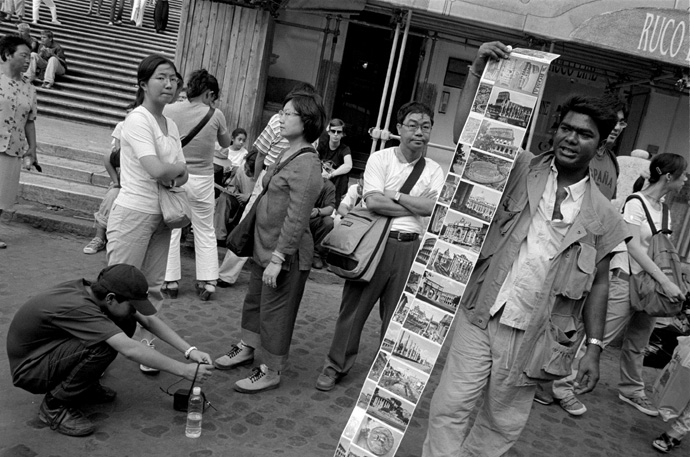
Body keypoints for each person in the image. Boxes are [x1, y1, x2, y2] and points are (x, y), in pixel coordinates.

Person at [422, 43, 631, 457]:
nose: (571, 139)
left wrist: (594, 348)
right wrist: (476, 75)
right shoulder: (519, 169)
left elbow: (601, 284)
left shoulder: (604, 216)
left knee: (500, 425)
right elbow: (473, 139)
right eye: (566, 128)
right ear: (555, 130)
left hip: (538, 334)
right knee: (450, 409)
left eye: (585, 133)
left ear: (601, 144)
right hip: (481, 313)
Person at [315, 101, 444, 391]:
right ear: (399, 128)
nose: (419, 132)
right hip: (372, 243)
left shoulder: (435, 170)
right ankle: (335, 365)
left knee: (398, 316)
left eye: (425, 126)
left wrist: (395, 195)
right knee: (353, 310)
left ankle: (388, 372)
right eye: (412, 125)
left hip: (409, 248)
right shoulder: (380, 159)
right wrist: (415, 205)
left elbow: (433, 208)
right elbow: (373, 201)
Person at [551, 153, 688, 417]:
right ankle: (562, 383)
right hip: (627, 280)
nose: (685, 181)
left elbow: (659, 249)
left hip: (651, 288)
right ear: (669, 176)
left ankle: (632, 389)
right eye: (682, 176)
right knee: (597, 337)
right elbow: (633, 246)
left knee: (638, 343)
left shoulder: (665, 210)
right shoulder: (635, 203)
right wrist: (664, 281)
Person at [6, 264, 214, 437]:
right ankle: (54, 406)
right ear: (111, 298)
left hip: (50, 352)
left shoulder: (97, 292)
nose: (135, 309)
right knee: (105, 344)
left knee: (124, 322)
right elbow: (130, 349)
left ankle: (81, 386)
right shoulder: (80, 308)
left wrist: (190, 351)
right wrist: (184, 370)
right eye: (132, 304)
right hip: (31, 370)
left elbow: (148, 321)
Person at [212, 90, 325, 393]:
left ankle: (272, 368)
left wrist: (278, 259)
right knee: (254, 302)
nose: (281, 117)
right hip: (264, 245)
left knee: (276, 312)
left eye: (289, 113)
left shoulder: (308, 164)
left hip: (285, 253)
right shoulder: (288, 151)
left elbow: (298, 216)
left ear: (308, 121)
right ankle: (247, 346)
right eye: (282, 111)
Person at [106, 54, 188, 374]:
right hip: (134, 212)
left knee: (152, 287)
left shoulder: (171, 124)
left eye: (173, 78)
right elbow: (156, 168)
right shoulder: (138, 119)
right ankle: (97, 348)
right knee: (115, 288)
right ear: (143, 84)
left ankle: (145, 343)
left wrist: (175, 171)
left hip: (163, 217)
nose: (169, 84)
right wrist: (176, 169)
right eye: (161, 78)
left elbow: (181, 175)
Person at [215, 83, 314, 288]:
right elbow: (260, 152)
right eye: (286, 111)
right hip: (268, 175)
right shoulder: (279, 120)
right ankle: (227, 274)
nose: (285, 116)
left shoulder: (310, 133)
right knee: (250, 221)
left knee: (275, 225)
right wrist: (257, 182)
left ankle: (263, 269)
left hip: (285, 181)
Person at [162, 69, 232, 301]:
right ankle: (208, 282)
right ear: (209, 93)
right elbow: (226, 143)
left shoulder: (170, 110)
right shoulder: (216, 114)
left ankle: (170, 281)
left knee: (171, 228)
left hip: (177, 175)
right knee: (204, 229)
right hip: (203, 179)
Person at [0, 34, 37, 250]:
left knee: (2, 194)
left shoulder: (29, 88)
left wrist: (32, 148)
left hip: (13, 148)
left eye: (29, 57)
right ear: (7, 55)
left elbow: (30, 121)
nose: (28, 61)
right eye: (24, 55)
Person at [83, 119, 125, 254]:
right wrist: (117, 183)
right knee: (112, 195)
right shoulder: (119, 150)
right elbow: (109, 157)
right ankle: (99, 237)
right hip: (124, 182)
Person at [214, 149, 257, 244]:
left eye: (249, 170)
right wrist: (233, 190)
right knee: (224, 197)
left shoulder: (264, 175)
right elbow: (233, 185)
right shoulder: (242, 169)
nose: (246, 170)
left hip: (255, 205)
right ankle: (219, 236)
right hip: (239, 202)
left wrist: (249, 197)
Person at [317, 118, 352, 205]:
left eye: (339, 132)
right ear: (329, 132)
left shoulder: (344, 149)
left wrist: (331, 174)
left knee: (343, 176)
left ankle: (335, 206)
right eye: (333, 131)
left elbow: (348, 165)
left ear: (342, 134)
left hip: (335, 180)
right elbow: (313, 159)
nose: (336, 134)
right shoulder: (322, 145)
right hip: (321, 176)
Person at [213, 127, 248, 196]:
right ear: (232, 138)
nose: (241, 142)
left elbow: (242, 169)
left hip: (233, 178)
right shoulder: (225, 150)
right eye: (239, 139)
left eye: (243, 141)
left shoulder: (244, 153)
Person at [310, 177, 336, 269]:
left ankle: (316, 254)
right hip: (294, 215)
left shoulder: (328, 186)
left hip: (313, 218)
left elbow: (330, 209)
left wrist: (317, 211)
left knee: (328, 222)